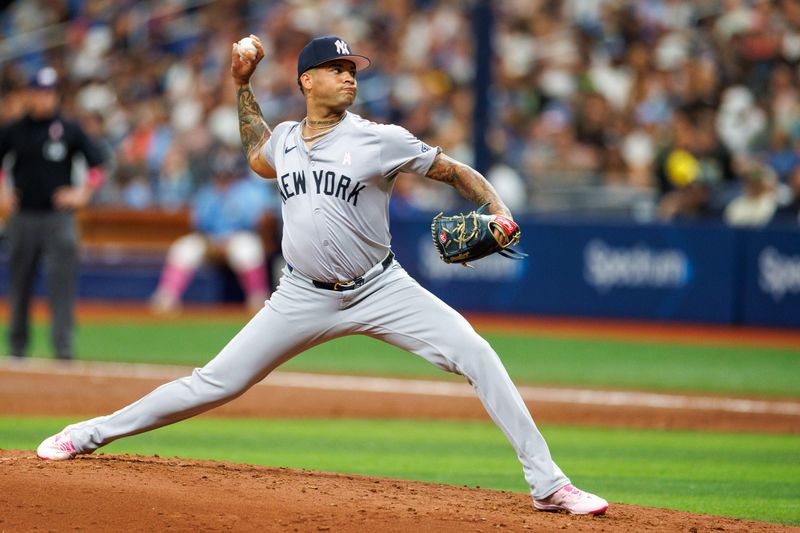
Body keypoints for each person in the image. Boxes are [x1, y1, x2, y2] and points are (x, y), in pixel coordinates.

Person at [36, 36, 608, 515]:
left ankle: (548, 485)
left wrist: (497, 209)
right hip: (301, 295)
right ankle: (87, 434)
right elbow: (258, 149)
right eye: (337, 69)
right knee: (214, 383)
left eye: (352, 68)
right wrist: (241, 85)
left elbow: (454, 171)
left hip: (383, 288)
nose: (349, 76)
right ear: (308, 80)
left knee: (476, 353)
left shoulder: (380, 139)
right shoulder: (286, 139)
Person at [0, 67, 106, 360]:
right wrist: (3, 192)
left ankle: (63, 351)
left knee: (62, 286)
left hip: (59, 219)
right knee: (19, 285)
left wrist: (82, 193)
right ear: (29, 94)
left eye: (50, 93)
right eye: (40, 92)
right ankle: (17, 350)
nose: (45, 99)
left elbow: (98, 166)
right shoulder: (15, 129)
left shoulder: (70, 128)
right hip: (22, 217)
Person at [149, 147, 271, 313]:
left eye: (228, 174)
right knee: (183, 248)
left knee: (248, 250)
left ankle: (257, 300)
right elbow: (199, 224)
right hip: (209, 240)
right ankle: (166, 298)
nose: (224, 178)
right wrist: (212, 242)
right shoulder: (207, 193)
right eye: (220, 174)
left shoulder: (248, 192)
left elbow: (254, 223)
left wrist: (226, 242)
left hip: (237, 238)